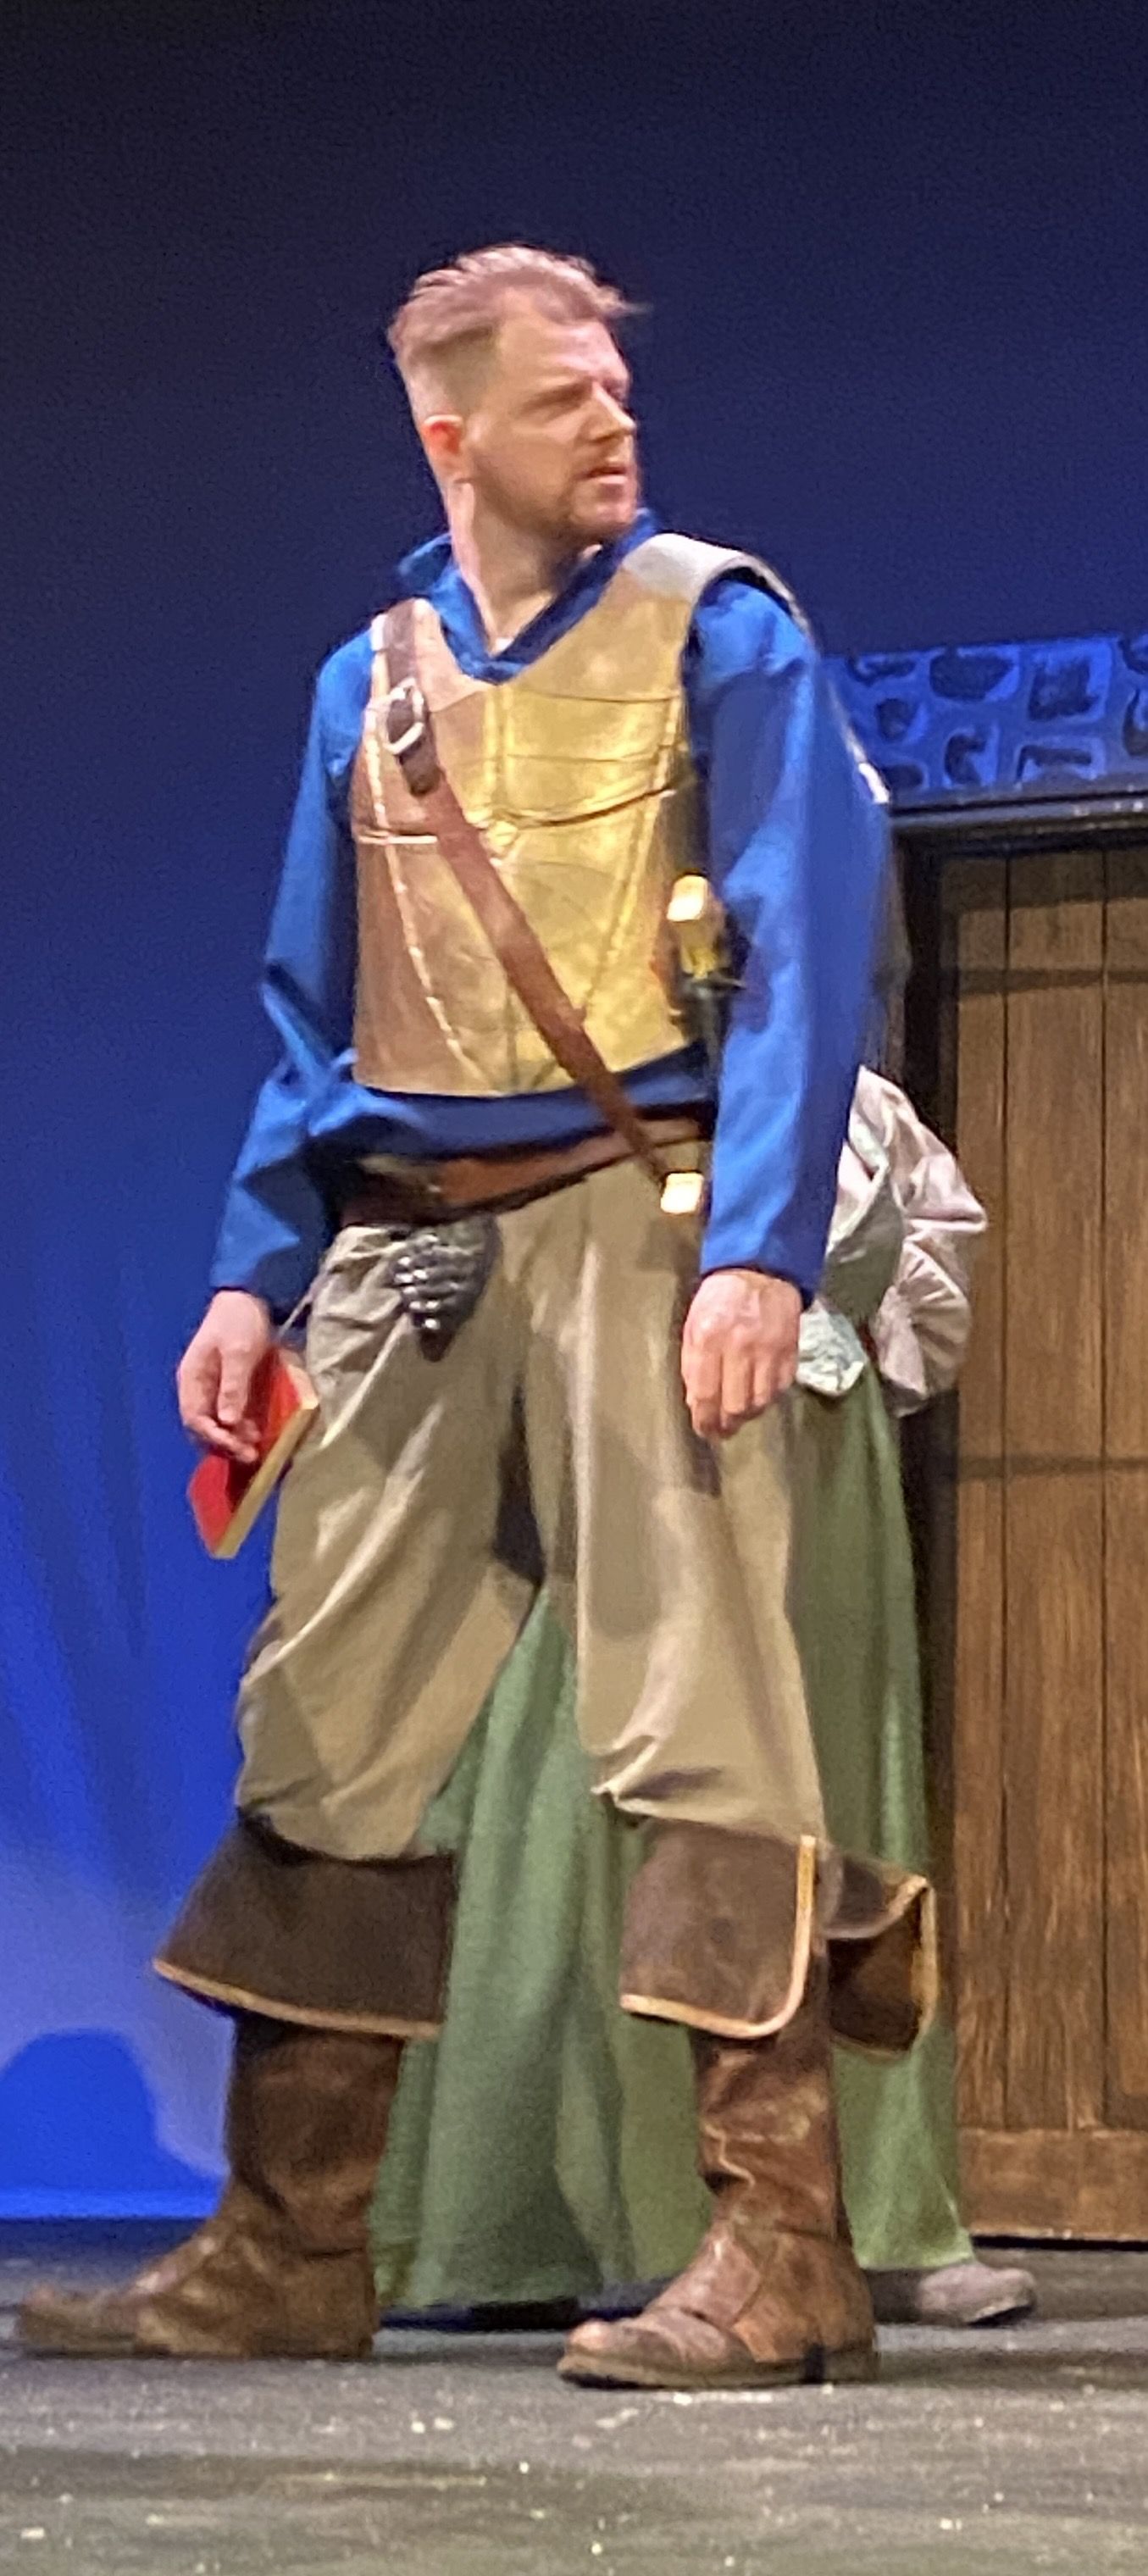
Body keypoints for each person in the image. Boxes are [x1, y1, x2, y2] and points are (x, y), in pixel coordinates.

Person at [20, 245, 929, 2389]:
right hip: (409, 1244)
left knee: (704, 1715)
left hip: (636, 1211)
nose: (612, 420)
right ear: (450, 436)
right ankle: (286, 2244)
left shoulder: (719, 626)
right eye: (559, 397)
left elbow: (810, 948)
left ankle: (783, 2247)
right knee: (324, 1721)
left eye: (615, 385)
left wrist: (758, 1247)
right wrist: (255, 1270)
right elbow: (314, 1010)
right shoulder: (376, 679)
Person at [370, 1074, 1036, 2330]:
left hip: (814, 1462)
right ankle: (536, 2219)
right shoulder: (548, 1087)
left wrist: (843, 1338)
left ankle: (856, 2216)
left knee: (824, 1796)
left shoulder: (852, 1103)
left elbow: (928, 1256)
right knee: (581, 1796)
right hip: (609, 1443)